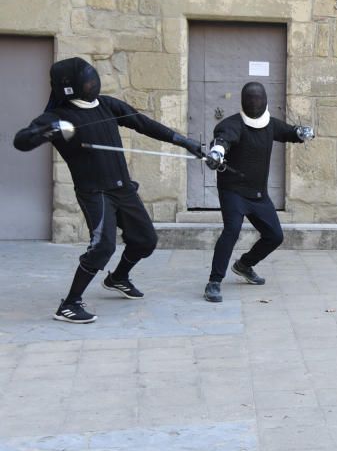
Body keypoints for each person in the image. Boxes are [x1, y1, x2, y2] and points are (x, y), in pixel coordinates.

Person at [13, 57, 203, 323]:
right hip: (95, 192)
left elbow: (145, 124)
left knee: (146, 241)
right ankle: (69, 304)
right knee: (103, 246)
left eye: (94, 77)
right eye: (88, 79)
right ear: (70, 86)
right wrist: (50, 130)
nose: (94, 83)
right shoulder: (57, 116)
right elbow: (21, 141)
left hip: (123, 188)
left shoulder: (107, 105)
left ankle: (118, 278)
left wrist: (185, 142)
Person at [203, 82, 314, 303]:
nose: (254, 103)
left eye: (258, 98)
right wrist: (217, 150)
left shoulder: (270, 124)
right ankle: (214, 282)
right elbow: (224, 138)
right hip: (233, 191)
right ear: (243, 100)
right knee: (231, 231)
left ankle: (244, 265)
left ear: (265, 100)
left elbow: (288, 132)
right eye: (250, 98)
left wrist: (301, 133)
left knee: (275, 236)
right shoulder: (231, 124)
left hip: (258, 194)